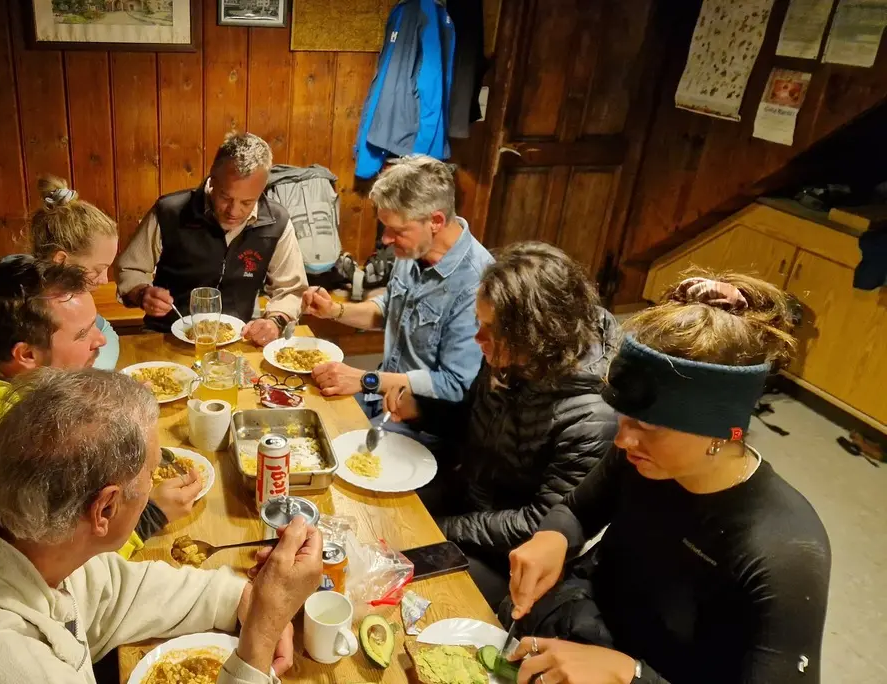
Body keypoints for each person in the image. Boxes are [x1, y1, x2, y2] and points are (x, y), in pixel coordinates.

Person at [0, 368, 322, 684]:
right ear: (104, 510)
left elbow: (107, 590)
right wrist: (258, 641)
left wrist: (239, 598)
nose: (155, 484)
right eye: (150, 474)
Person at [502, 274, 831, 684]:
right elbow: (577, 510)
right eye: (623, 419)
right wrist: (553, 537)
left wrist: (629, 674)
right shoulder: (641, 456)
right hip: (590, 624)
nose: (622, 439)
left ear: (720, 429)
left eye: (649, 427)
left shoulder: (786, 555)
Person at [0, 257, 202, 556]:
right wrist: (148, 517)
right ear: (26, 354)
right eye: (83, 334)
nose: (100, 341)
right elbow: (51, 566)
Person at [386, 242, 619, 605]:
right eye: (479, 323)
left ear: (537, 333)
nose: (478, 338)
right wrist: (423, 411)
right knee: (383, 516)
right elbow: (473, 421)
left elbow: (538, 523)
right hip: (469, 501)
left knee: (402, 580)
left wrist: (442, 529)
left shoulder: (591, 416)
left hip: (507, 556)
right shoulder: (512, 356)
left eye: (491, 329)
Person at [300, 155, 492, 427]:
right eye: (385, 227)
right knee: (307, 409)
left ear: (436, 221)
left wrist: (366, 380)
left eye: (396, 230)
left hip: (423, 422)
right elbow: (388, 310)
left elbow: (455, 384)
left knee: (335, 442)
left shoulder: (476, 283)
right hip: (379, 394)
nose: (386, 239)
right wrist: (335, 310)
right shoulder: (414, 250)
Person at [115, 132, 307, 346]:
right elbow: (130, 269)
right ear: (212, 178)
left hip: (237, 338)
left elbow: (291, 289)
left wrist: (275, 321)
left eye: (247, 202)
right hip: (165, 334)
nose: (234, 211)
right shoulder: (170, 212)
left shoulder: (276, 222)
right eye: (225, 197)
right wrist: (142, 293)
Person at [28, 174, 122, 370]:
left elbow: (105, 329)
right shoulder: (24, 304)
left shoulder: (69, 292)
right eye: (98, 269)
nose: (105, 280)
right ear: (62, 260)